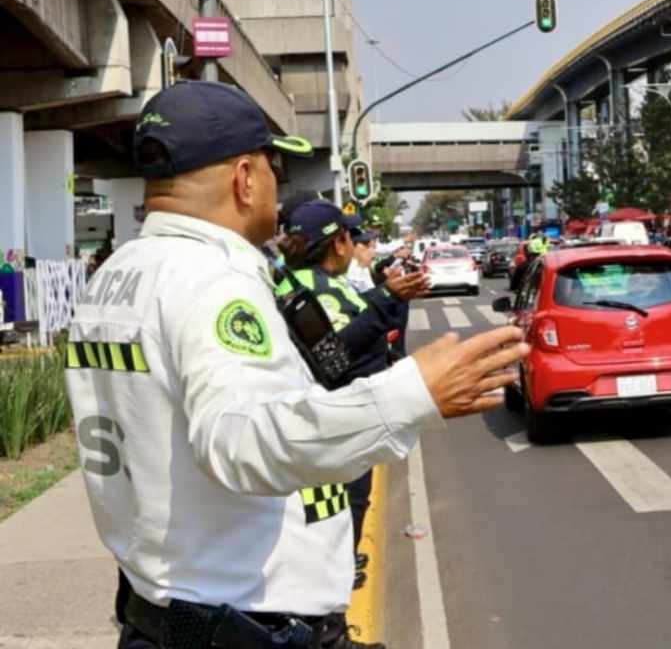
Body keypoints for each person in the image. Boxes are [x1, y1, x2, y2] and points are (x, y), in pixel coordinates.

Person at [65, 81, 528, 649]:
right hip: (242, 625)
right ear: (243, 178)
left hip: (175, 612)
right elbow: (243, 441)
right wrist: (413, 394)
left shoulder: (116, 274)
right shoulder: (211, 279)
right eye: (272, 167)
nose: (276, 186)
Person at [279, 200, 429, 601]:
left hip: (348, 419)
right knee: (343, 511)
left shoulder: (318, 281)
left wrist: (391, 297)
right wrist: (384, 299)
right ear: (338, 243)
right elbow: (335, 356)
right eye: (349, 235)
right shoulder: (310, 286)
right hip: (337, 421)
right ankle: (332, 610)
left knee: (348, 511)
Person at [345, 229, 379, 293]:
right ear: (353, 246)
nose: (369, 250)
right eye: (366, 245)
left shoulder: (361, 262)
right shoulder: (348, 266)